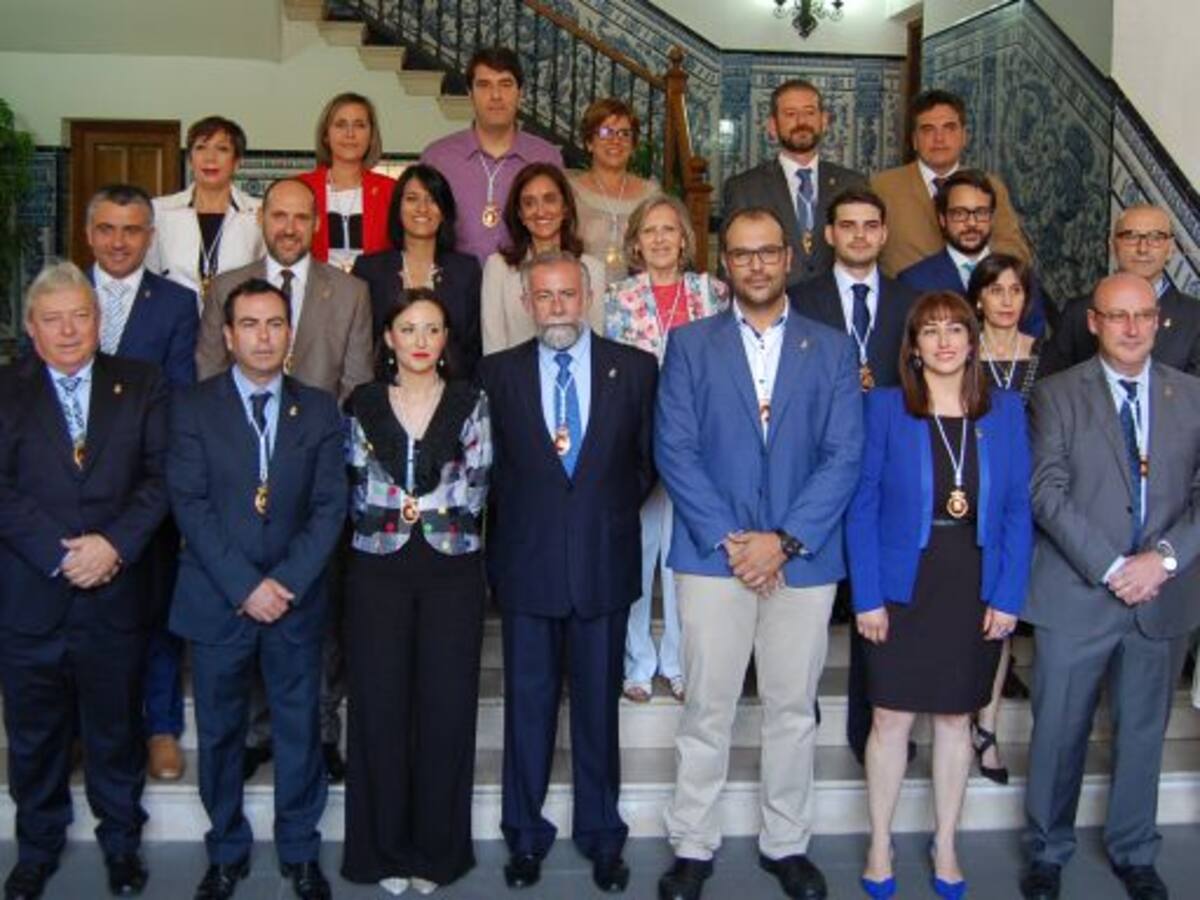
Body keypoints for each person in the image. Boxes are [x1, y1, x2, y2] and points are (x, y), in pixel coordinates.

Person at [656, 207, 863, 900]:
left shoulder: (832, 349)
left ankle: (786, 843)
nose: (755, 264)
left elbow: (843, 455)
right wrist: (737, 542)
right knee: (706, 708)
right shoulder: (689, 345)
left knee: (792, 709)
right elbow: (675, 450)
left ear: (788, 258)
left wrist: (785, 541)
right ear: (724, 265)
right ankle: (692, 842)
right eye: (740, 254)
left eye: (766, 252)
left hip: (802, 562)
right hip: (715, 557)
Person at [478, 251, 657, 893]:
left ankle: (601, 834)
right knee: (527, 711)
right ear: (527, 302)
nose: (557, 306)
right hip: (527, 566)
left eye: (567, 295)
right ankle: (524, 837)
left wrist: (596, 514)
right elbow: (488, 472)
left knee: (597, 715)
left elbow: (645, 462)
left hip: (604, 563)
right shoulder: (496, 374)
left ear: (587, 297)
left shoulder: (634, 369)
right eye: (544, 296)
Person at [847, 291, 1031, 900]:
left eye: (957, 329)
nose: (945, 340)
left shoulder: (1003, 411)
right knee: (890, 717)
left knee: (956, 719)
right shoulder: (886, 408)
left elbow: (1015, 515)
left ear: (973, 341)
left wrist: (1008, 596)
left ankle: (945, 841)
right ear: (914, 347)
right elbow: (863, 505)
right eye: (931, 331)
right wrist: (867, 595)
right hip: (902, 583)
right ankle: (880, 840)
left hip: (972, 580)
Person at [1021, 273, 1200, 900]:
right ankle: (1046, 850)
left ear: (1159, 322)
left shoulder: (1193, 396)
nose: (1132, 328)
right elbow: (1046, 492)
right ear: (1093, 322)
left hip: (1163, 596)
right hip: (1078, 591)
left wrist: (1163, 561)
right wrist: (1113, 567)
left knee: (1144, 730)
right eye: (1118, 316)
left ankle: (1134, 850)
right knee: (1058, 730)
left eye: (1144, 315)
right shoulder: (1056, 395)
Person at [168, 279, 346, 900]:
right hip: (219, 599)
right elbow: (189, 505)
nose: (263, 337)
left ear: (290, 335)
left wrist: (284, 584)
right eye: (250, 324)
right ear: (227, 335)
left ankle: (299, 851)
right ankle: (226, 849)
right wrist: (247, 587)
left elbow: (330, 508)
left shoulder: (321, 408)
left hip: (295, 603)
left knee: (299, 729)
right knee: (219, 733)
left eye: (275, 324)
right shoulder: (192, 408)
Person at [0, 261, 169, 900]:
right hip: (31, 595)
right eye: (53, 319)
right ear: (31, 328)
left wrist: (113, 546)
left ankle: (121, 845)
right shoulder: (5, 389)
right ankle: (37, 847)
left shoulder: (142, 382)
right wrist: (58, 551)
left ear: (99, 321)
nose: (69, 330)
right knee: (35, 735)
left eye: (81, 315)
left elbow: (160, 479)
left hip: (115, 592)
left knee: (115, 729)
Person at [196, 177, 372, 785]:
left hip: (318, 477)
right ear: (262, 219)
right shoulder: (222, 288)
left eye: (302, 217)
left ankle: (323, 731)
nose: (290, 227)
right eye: (280, 216)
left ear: (316, 224)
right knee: (245, 608)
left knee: (321, 618)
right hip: (239, 484)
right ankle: (255, 731)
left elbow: (355, 385)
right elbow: (208, 380)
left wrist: (307, 451)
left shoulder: (348, 292)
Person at [341, 289, 491, 896]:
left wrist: (422, 511)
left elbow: (477, 481)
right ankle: (381, 853)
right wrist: (402, 513)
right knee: (379, 708)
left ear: (446, 338)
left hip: (452, 565)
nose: (421, 340)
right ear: (389, 338)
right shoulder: (363, 403)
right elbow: (355, 475)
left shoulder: (470, 400)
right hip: (376, 565)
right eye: (409, 328)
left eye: (433, 328)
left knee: (446, 708)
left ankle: (437, 852)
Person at [786, 186, 917, 764]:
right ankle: (798, 717)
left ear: (884, 233)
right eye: (848, 225)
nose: (860, 234)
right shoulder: (800, 299)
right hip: (814, 464)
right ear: (829, 234)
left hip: (889, 468)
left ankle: (872, 729)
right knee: (808, 606)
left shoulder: (913, 302)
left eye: (871, 224)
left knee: (874, 600)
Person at [85, 183, 199, 784]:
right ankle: (87, 729)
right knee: (80, 620)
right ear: (90, 234)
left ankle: (160, 729)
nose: (119, 241)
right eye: (108, 228)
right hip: (70, 491)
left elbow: (177, 397)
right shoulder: (64, 295)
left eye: (132, 230)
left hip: (146, 489)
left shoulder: (176, 304)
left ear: (150, 238)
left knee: (156, 615)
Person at [604, 193, 727, 704]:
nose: (659, 239)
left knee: (686, 558)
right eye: (649, 231)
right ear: (635, 243)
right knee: (638, 553)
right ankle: (638, 661)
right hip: (638, 443)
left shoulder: (712, 292)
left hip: (698, 445)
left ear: (684, 240)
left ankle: (678, 661)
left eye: (668, 229)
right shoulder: (618, 298)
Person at [966, 253, 1048, 787]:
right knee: (969, 616)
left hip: (1028, 500)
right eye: (996, 291)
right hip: (968, 501)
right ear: (979, 298)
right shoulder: (960, 352)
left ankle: (988, 725)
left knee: (1005, 616)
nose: (1005, 301)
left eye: (1015, 291)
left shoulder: (1044, 355)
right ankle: (962, 712)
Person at [421, 46, 563, 264]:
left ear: (520, 92)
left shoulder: (546, 156)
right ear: (470, 93)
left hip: (526, 288)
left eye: (505, 85)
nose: (496, 96)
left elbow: (559, 232)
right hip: (453, 289)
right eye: (484, 85)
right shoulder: (438, 157)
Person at [723, 78, 867, 286]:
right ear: (773, 126)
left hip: (835, 312)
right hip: (770, 309)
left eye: (810, 112)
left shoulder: (853, 184)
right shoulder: (744, 188)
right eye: (790, 114)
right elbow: (730, 267)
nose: (802, 121)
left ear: (824, 120)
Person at [870, 89, 1029, 277]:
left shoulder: (990, 186)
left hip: (975, 300)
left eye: (949, 128)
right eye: (928, 130)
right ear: (914, 140)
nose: (939, 139)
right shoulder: (883, 187)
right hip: (907, 301)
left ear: (964, 136)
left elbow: (1015, 251)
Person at [352, 164, 484, 377]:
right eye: (412, 198)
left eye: (432, 200)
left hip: (453, 393)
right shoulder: (369, 270)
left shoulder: (466, 270)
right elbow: (359, 347)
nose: (422, 208)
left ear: (444, 212)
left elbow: (474, 346)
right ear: (398, 208)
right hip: (383, 392)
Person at [1048, 204, 1200, 374]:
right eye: (1131, 237)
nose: (1142, 249)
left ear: (1171, 248)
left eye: (1156, 238)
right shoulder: (1079, 313)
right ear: (1113, 246)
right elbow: (1053, 388)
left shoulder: (1195, 317)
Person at [897, 169, 1046, 336]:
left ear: (991, 217)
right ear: (942, 219)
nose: (971, 223)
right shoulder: (913, 282)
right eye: (960, 214)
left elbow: (1035, 346)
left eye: (981, 213)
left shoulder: (1022, 275)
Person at [481, 162, 605, 353]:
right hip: (515, 380)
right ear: (520, 214)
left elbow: (597, 345)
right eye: (529, 203)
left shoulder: (592, 268)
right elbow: (493, 348)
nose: (540, 211)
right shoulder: (498, 267)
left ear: (565, 208)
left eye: (550, 199)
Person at [146, 116, 263, 302]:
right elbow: (150, 276)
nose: (210, 158)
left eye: (222, 149)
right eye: (201, 148)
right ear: (190, 159)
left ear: (237, 162)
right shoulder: (159, 211)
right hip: (175, 323)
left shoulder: (258, 213)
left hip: (236, 322)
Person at [297, 92, 397, 272]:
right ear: (326, 135)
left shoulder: (391, 190)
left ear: (371, 135)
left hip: (374, 294)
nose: (350, 134)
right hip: (313, 293)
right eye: (340, 125)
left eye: (359, 125)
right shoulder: (300, 188)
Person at [568, 97, 659, 285]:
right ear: (589, 142)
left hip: (639, 303)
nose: (615, 140)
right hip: (581, 299)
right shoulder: (569, 191)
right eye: (605, 132)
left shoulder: (652, 194)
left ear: (633, 145)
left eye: (624, 133)